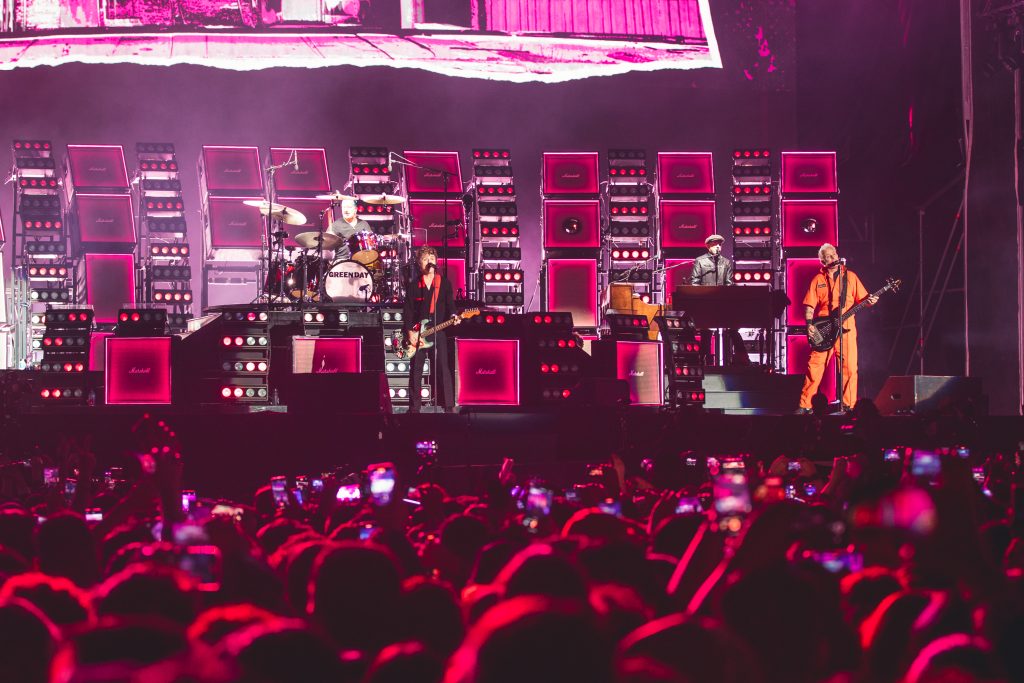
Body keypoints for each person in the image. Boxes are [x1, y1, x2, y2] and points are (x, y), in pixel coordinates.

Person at [797, 243, 877, 414]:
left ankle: (849, 406)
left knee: (849, 368)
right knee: (815, 366)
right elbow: (809, 305)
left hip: (846, 328)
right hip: (824, 329)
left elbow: (864, 299)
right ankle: (805, 405)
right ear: (822, 261)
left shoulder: (851, 277)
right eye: (829, 256)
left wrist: (871, 301)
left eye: (834, 254)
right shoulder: (817, 280)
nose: (833, 258)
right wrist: (809, 324)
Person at [402, 246, 460, 413]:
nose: (430, 262)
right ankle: (414, 407)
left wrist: (455, 315)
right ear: (420, 263)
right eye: (426, 259)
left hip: (438, 330)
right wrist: (410, 331)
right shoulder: (415, 285)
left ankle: (448, 406)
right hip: (418, 333)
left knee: (443, 366)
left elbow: (451, 305)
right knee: (416, 369)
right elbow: (407, 311)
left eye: (432, 259)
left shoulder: (444, 283)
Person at [689, 234, 748, 366]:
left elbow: (729, 283)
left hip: (722, 304)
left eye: (720, 244)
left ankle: (743, 359)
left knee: (733, 329)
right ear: (708, 246)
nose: (718, 247)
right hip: (705, 304)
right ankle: (703, 361)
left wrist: (727, 296)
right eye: (715, 244)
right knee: (706, 333)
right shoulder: (700, 261)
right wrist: (701, 298)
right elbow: (695, 282)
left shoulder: (726, 262)